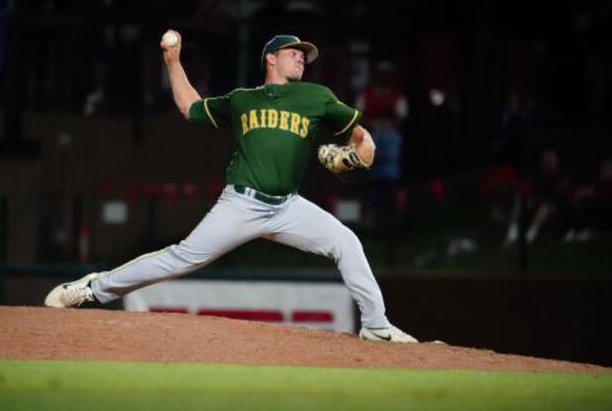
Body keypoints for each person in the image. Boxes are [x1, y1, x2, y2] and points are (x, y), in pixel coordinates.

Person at [44, 31, 418, 343]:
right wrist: (173, 61)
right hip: (241, 204)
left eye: (304, 56)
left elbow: (363, 140)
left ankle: (376, 326)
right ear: (271, 58)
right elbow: (190, 107)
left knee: (346, 242)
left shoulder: (316, 97)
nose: (301, 59)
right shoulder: (242, 100)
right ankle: (93, 288)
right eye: (293, 53)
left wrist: (355, 155)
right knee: (180, 258)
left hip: (287, 207)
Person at [504, 149, 571, 245]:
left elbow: (559, 195)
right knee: (520, 202)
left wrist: (538, 200)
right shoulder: (538, 172)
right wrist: (526, 196)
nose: (548, 159)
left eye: (551, 157)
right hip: (537, 201)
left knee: (544, 208)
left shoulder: (562, 175)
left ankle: (529, 237)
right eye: (546, 157)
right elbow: (529, 187)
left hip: (555, 206)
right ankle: (511, 235)